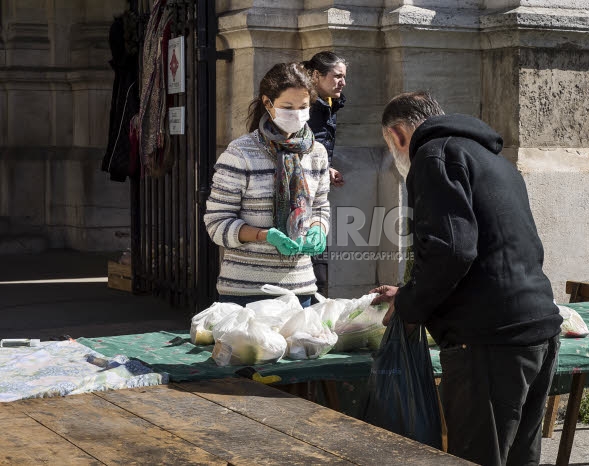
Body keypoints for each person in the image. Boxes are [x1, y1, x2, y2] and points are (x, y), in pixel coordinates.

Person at [371, 91, 563, 466]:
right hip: (536, 327)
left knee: (479, 457)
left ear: (396, 135)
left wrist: (410, 304)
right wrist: (410, 290)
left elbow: (451, 250)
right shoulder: (489, 156)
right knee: (520, 458)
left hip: (491, 339)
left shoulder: (432, 156)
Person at [204, 62, 330, 308]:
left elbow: (320, 207)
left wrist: (319, 229)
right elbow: (216, 222)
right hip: (245, 292)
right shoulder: (240, 153)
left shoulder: (317, 153)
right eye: (287, 107)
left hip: (300, 290)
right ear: (267, 103)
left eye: (303, 107)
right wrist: (264, 235)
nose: (296, 114)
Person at [303, 51, 347, 298]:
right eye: (337, 76)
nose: (342, 82)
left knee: (319, 245)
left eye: (344, 77)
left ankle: (316, 301)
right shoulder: (308, 105)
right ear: (317, 76)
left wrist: (327, 167)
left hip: (319, 185)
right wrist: (322, 167)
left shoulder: (330, 103)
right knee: (312, 248)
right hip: (303, 188)